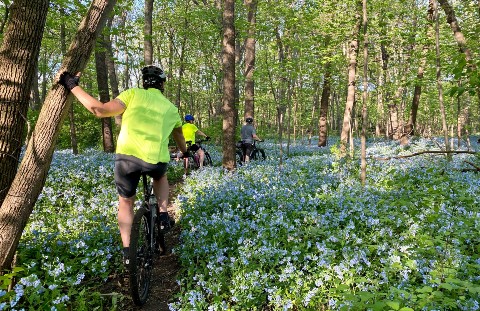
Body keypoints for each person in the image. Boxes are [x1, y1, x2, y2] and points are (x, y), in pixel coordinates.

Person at [59, 65, 188, 266]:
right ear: (162, 85)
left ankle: (128, 252)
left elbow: (99, 110)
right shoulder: (171, 108)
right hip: (156, 161)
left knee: (126, 202)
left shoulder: (132, 95)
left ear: (144, 83)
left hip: (127, 160)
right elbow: (179, 136)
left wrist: (71, 86)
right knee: (160, 176)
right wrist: (186, 151)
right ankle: (163, 214)